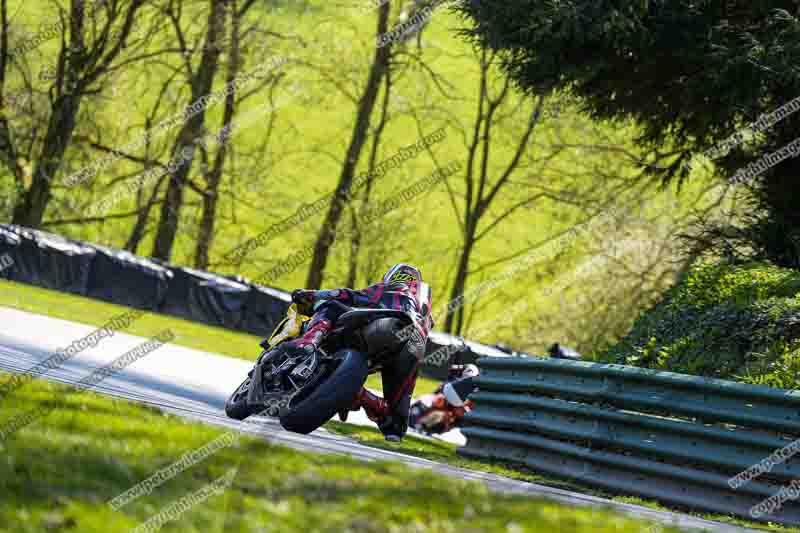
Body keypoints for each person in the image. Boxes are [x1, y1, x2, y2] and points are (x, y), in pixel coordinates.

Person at [285, 263, 433, 442]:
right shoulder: (425, 308)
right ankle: (364, 397)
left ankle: (309, 341)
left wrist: (312, 294)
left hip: (386, 324)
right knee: (395, 426)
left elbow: (347, 295)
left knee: (331, 306)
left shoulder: (390, 287)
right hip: (414, 348)